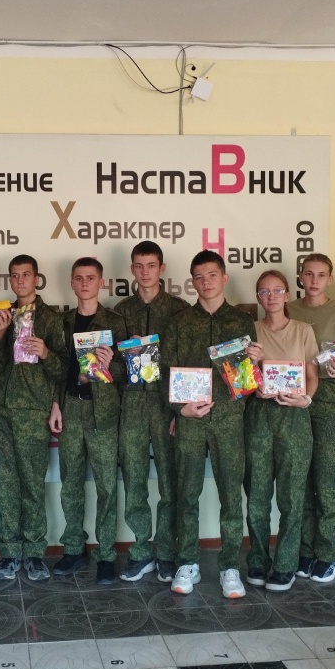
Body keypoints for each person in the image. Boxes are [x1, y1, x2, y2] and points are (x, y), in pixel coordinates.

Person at [164, 250, 257, 599]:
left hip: (229, 420)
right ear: (192, 282)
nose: (206, 282)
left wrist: (247, 382)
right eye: (199, 277)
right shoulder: (179, 322)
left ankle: (230, 566)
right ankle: (187, 562)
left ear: (224, 277)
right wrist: (180, 409)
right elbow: (165, 372)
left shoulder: (242, 321)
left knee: (231, 495)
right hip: (190, 420)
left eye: (212, 275)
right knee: (186, 494)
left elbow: (247, 377)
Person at [113, 241, 188, 583]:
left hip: (165, 405)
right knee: (134, 480)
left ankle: (167, 553)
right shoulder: (120, 311)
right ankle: (142, 551)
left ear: (162, 268)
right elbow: (112, 367)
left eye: (151, 265)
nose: (145, 272)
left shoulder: (179, 310)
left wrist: (178, 409)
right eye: (139, 266)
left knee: (170, 483)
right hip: (131, 404)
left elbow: (185, 363)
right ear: (132, 269)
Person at [0, 255, 67, 581]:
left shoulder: (50, 318)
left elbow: (63, 370)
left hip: (34, 411)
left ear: (37, 279)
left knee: (33, 485)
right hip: (3, 411)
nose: (20, 280)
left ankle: (34, 554)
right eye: (15, 275)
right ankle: (9, 554)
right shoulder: (4, 314)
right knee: (7, 485)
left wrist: (46, 352)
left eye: (26, 275)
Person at [50, 257, 126, 585]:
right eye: (79, 278)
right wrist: (55, 404)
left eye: (91, 278)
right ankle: (73, 548)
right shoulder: (61, 322)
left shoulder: (116, 322)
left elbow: (131, 371)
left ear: (101, 283)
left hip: (103, 411)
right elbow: (55, 368)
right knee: (70, 483)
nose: (84, 283)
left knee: (107, 485)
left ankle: (106, 554)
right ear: (71, 282)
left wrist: (112, 364)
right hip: (70, 407)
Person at [244, 270, 319, 592]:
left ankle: (286, 563)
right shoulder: (250, 331)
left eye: (277, 291)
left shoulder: (303, 330)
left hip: (295, 416)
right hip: (260, 415)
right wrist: (253, 385)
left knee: (292, 495)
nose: (271, 296)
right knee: (257, 494)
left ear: (288, 295)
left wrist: (307, 399)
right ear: (258, 297)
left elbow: (312, 374)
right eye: (264, 292)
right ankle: (258, 560)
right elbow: (240, 377)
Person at [287, 253, 335, 584]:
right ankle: (304, 550)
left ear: (330, 278)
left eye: (321, 275)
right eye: (309, 274)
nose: (314, 280)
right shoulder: (289, 309)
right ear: (300, 277)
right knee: (299, 478)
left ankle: (327, 555)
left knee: (326, 479)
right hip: (293, 394)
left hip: (329, 397)